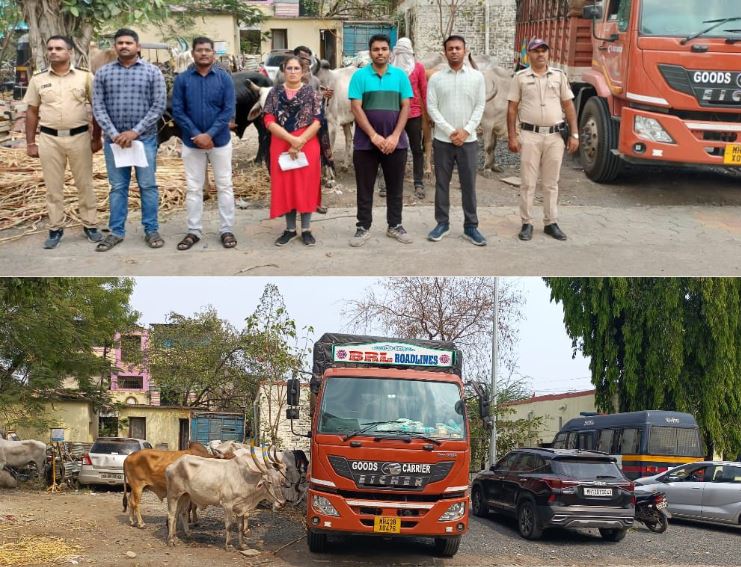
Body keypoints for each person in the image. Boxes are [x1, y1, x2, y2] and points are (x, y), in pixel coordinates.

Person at [23, 35, 103, 249]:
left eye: (59, 48)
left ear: (70, 52)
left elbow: (98, 109)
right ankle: (56, 228)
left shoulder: (85, 77)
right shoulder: (38, 79)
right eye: (50, 48)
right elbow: (31, 111)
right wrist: (31, 143)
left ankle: (90, 225)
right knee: (53, 187)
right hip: (49, 139)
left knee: (85, 184)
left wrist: (96, 137)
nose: (53, 52)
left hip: (79, 138)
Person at [92, 28, 167, 252]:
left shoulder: (153, 72)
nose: (124, 46)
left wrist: (134, 131)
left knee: (147, 185)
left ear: (138, 47)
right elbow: (98, 107)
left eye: (128, 43)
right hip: (114, 142)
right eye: (120, 43)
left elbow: (159, 105)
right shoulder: (103, 74)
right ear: (115, 47)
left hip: (144, 140)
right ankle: (116, 232)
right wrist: (114, 133)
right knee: (118, 187)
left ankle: (151, 230)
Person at [507, 38, 578, 242]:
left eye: (543, 50)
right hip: (529, 135)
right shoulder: (520, 77)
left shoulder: (559, 76)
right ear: (528, 54)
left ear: (549, 53)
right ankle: (527, 223)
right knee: (528, 183)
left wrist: (574, 134)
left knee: (551, 182)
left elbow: (569, 106)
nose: (540, 54)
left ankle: (550, 222)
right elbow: (512, 108)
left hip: (555, 136)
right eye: (536, 51)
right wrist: (512, 136)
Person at [170, 37, 237, 251]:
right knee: (193, 188)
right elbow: (178, 111)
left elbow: (228, 109)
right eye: (200, 50)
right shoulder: (182, 79)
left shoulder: (224, 78)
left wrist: (210, 134)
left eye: (208, 50)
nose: (204, 54)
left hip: (220, 142)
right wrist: (197, 135)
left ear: (213, 54)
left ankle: (226, 229)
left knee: (225, 185)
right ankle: (194, 231)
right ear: (193, 53)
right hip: (192, 143)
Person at [348, 34, 413, 247]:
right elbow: (356, 108)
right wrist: (374, 136)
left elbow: (406, 107)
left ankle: (394, 225)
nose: (380, 53)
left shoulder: (400, 76)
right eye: (376, 49)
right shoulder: (359, 76)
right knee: (364, 187)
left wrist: (394, 136)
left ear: (390, 52)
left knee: (395, 188)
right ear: (370, 52)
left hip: (396, 143)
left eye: (384, 49)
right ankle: (363, 227)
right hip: (366, 144)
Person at [426, 35, 487, 246]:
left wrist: (466, 131)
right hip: (443, 140)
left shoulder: (477, 77)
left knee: (468, 184)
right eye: (450, 48)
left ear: (465, 50)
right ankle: (442, 223)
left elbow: (480, 106)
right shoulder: (436, 79)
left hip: (468, 142)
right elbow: (432, 107)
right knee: (442, 184)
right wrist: (451, 131)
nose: (454, 51)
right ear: (445, 52)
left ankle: (471, 227)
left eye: (458, 48)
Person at [263, 55, 322, 246]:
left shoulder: (312, 93)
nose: (293, 72)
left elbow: (318, 120)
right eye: (289, 68)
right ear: (283, 70)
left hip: (308, 143)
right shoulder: (274, 93)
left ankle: (306, 229)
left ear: (304, 72)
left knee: (306, 185)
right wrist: (291, 140)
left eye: (297, 68)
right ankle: (289, 229)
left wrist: (300, 141)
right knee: (286, 186)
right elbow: (268, 120)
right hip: (281, 143)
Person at [390, 37, 427, 199]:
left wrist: (428, 114)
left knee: (416, 149)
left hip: (414, 114)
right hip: (393, 114)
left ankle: (418, 181)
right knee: (392, 147)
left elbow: (424, 91)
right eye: (400, 51)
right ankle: (388, 180)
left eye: (406, 51)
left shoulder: (418, 68)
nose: (403, 55)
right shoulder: (390, 69)